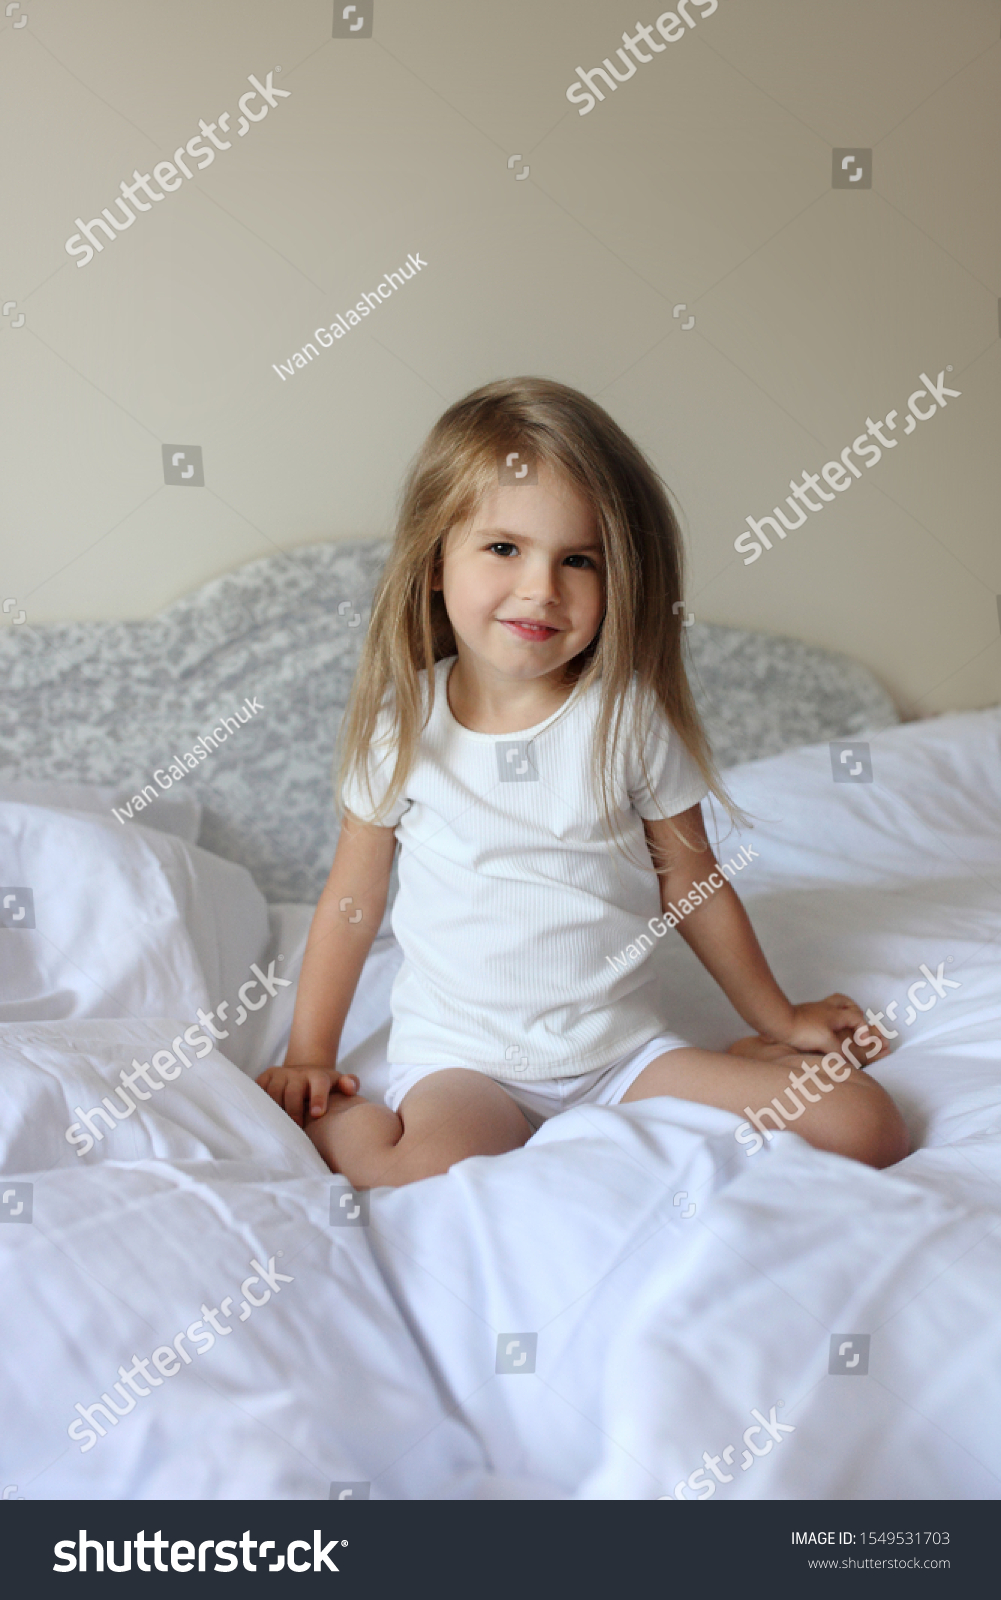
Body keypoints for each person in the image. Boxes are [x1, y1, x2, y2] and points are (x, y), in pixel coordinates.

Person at [256, 378, 909, 1187]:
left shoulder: (625, 720)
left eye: (577, 560)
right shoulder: (404, 724)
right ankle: (348, 1123)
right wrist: (309, 1056)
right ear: (433, 562)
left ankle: (750, 1056)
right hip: (470, 1065)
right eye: (503, 549)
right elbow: (351, 907)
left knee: (866, 1126)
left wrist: (778, 1015)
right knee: (417, 1173)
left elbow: (694, 885)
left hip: (622, 1057)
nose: (541, 587)